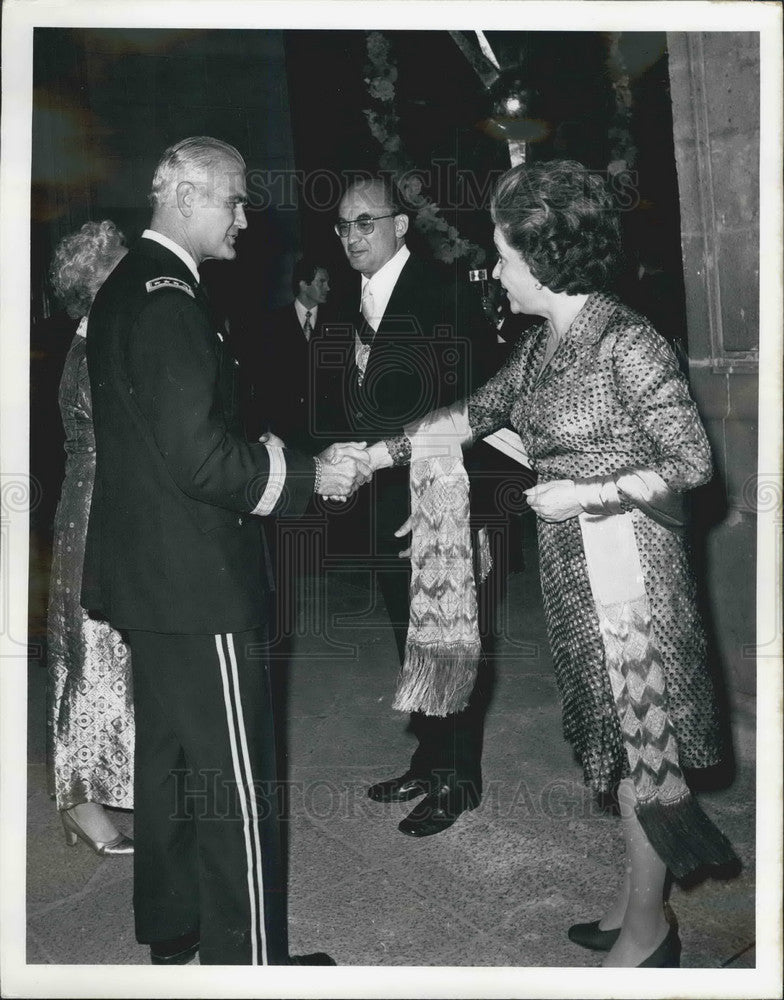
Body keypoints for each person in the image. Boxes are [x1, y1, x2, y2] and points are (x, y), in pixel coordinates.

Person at [366, 159, 738, 967]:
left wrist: (585, 494)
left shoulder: (628, 342)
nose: (495, 269)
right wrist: (372, 458)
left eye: (503, 253)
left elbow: (691, 463)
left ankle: (647, 933)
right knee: (617, 738)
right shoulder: (546, 344)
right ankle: (637, 906)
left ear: (545, 258)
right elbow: (474, 413)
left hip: (632, 580)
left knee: (646, 748)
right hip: (580, 574)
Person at [81, 136, 370, 966]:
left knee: (172, 771)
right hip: (200, 583)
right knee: (236, 783)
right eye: (234, 200)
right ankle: (251, 965)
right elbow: (200, 459)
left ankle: (178, 938)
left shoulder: (134, 286)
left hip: (156, 579)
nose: (246, 218)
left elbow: (178, 436)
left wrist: (278, 451)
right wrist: (311, 478)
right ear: (183, 195)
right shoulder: (171, 299)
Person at [318, 176, 499, 838]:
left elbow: (479, 405)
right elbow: (338, 397)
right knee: (410, 635)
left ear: (401, 226)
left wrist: (450, 505)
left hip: (440, 499)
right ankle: (431, 757)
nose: (352, 237)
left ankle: (461, 777)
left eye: (365, 222)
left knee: (451, 636)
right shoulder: (345, 301)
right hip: (378, 499)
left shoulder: (445, 292)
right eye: (343, 226)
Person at [46, 220, 134, 857]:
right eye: (119, 271)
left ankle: (92, 792)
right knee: (89, 661)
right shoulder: (93, 351)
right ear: (94, 285)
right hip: (91, 515)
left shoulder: (97, 341)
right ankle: (78, 801)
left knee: (104, 658)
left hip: (96, 510)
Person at [248, 257, 332, 452]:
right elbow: (264, 378)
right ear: (303, 284)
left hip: (326, 430)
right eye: (322, 282)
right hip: (287, 430)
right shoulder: (273, 323)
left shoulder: (336, 321)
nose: (328, 287)